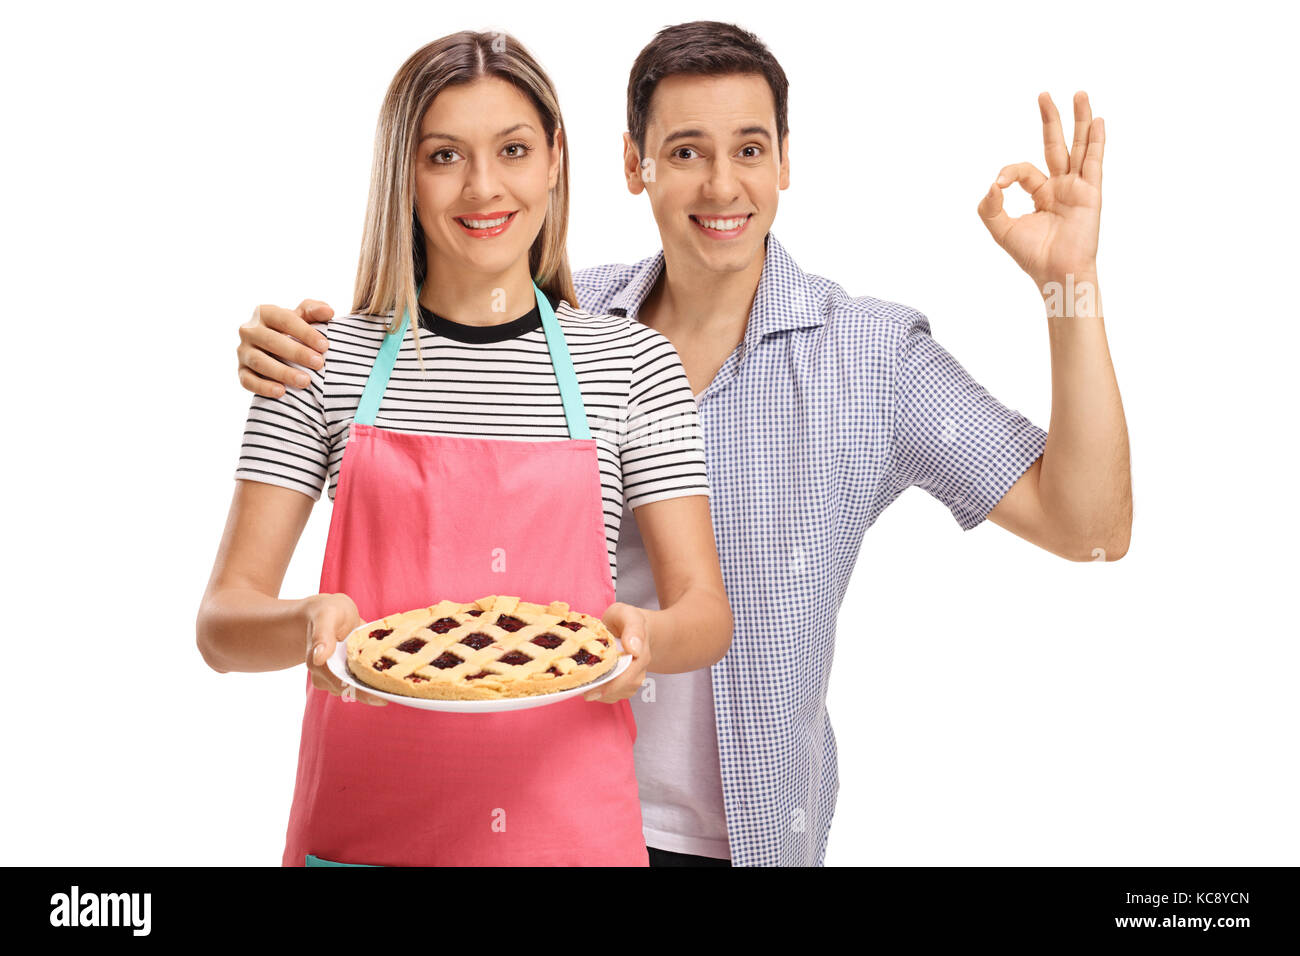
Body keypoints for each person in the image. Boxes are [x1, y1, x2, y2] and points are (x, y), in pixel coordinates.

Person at [228, 22, 1131, 866]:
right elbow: (451, 306)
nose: (721, 186)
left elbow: (1087, 524)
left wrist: (1070, 287)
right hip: (504, 805)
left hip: (729, 832)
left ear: (785, 163)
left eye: (749, 150)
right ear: (634, 164)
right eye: (686, 151)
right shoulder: (578, 319)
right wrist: (298, 345)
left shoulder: (873, 361)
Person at [197, 30, 733, 867]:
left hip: (570, 836)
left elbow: (705, 610)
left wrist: (646, 640)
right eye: (444, 156)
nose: (484, 187)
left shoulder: (631, 364)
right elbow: (222, 624)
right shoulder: (319, 362)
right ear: (403, 175)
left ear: (555, 159)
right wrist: (309, 622)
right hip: (364, 835)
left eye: (513, 150)